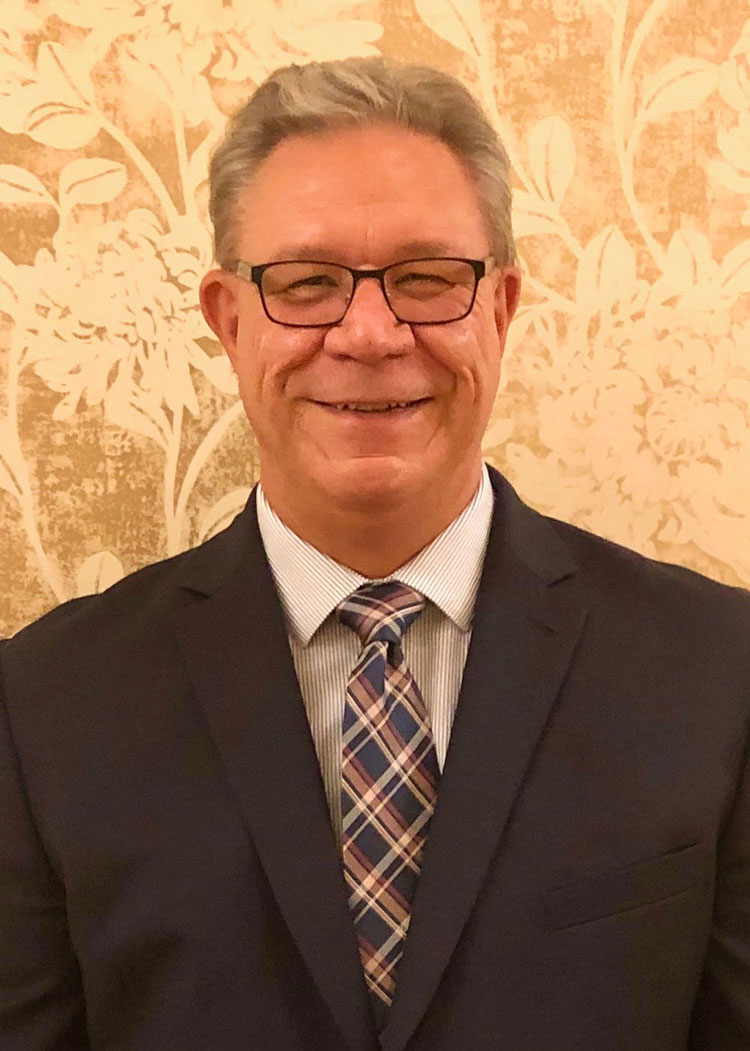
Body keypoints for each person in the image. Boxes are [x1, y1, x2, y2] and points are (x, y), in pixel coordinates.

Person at [1, 56, 749, 1051]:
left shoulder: (718, 669)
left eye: (427, 278)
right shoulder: (45, 701)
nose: (368, 332)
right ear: (229, 321)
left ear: (503, 308)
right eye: (306, 284)